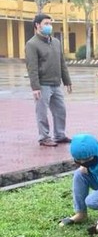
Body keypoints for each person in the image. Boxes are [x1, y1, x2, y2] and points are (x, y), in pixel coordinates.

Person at [25, 13, 73, 147]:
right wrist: (35, 87)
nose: (49, 26)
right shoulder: (32, 44)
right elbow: (32, 67)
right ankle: (44, 137)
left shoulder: (56, 42)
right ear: (37, 25)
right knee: (42, 112)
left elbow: (62, 63)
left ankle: (59, 135)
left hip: (56, 83)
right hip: (42, 85)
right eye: (46, 24)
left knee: (60, 110)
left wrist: (67, 81)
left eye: (50, 24)